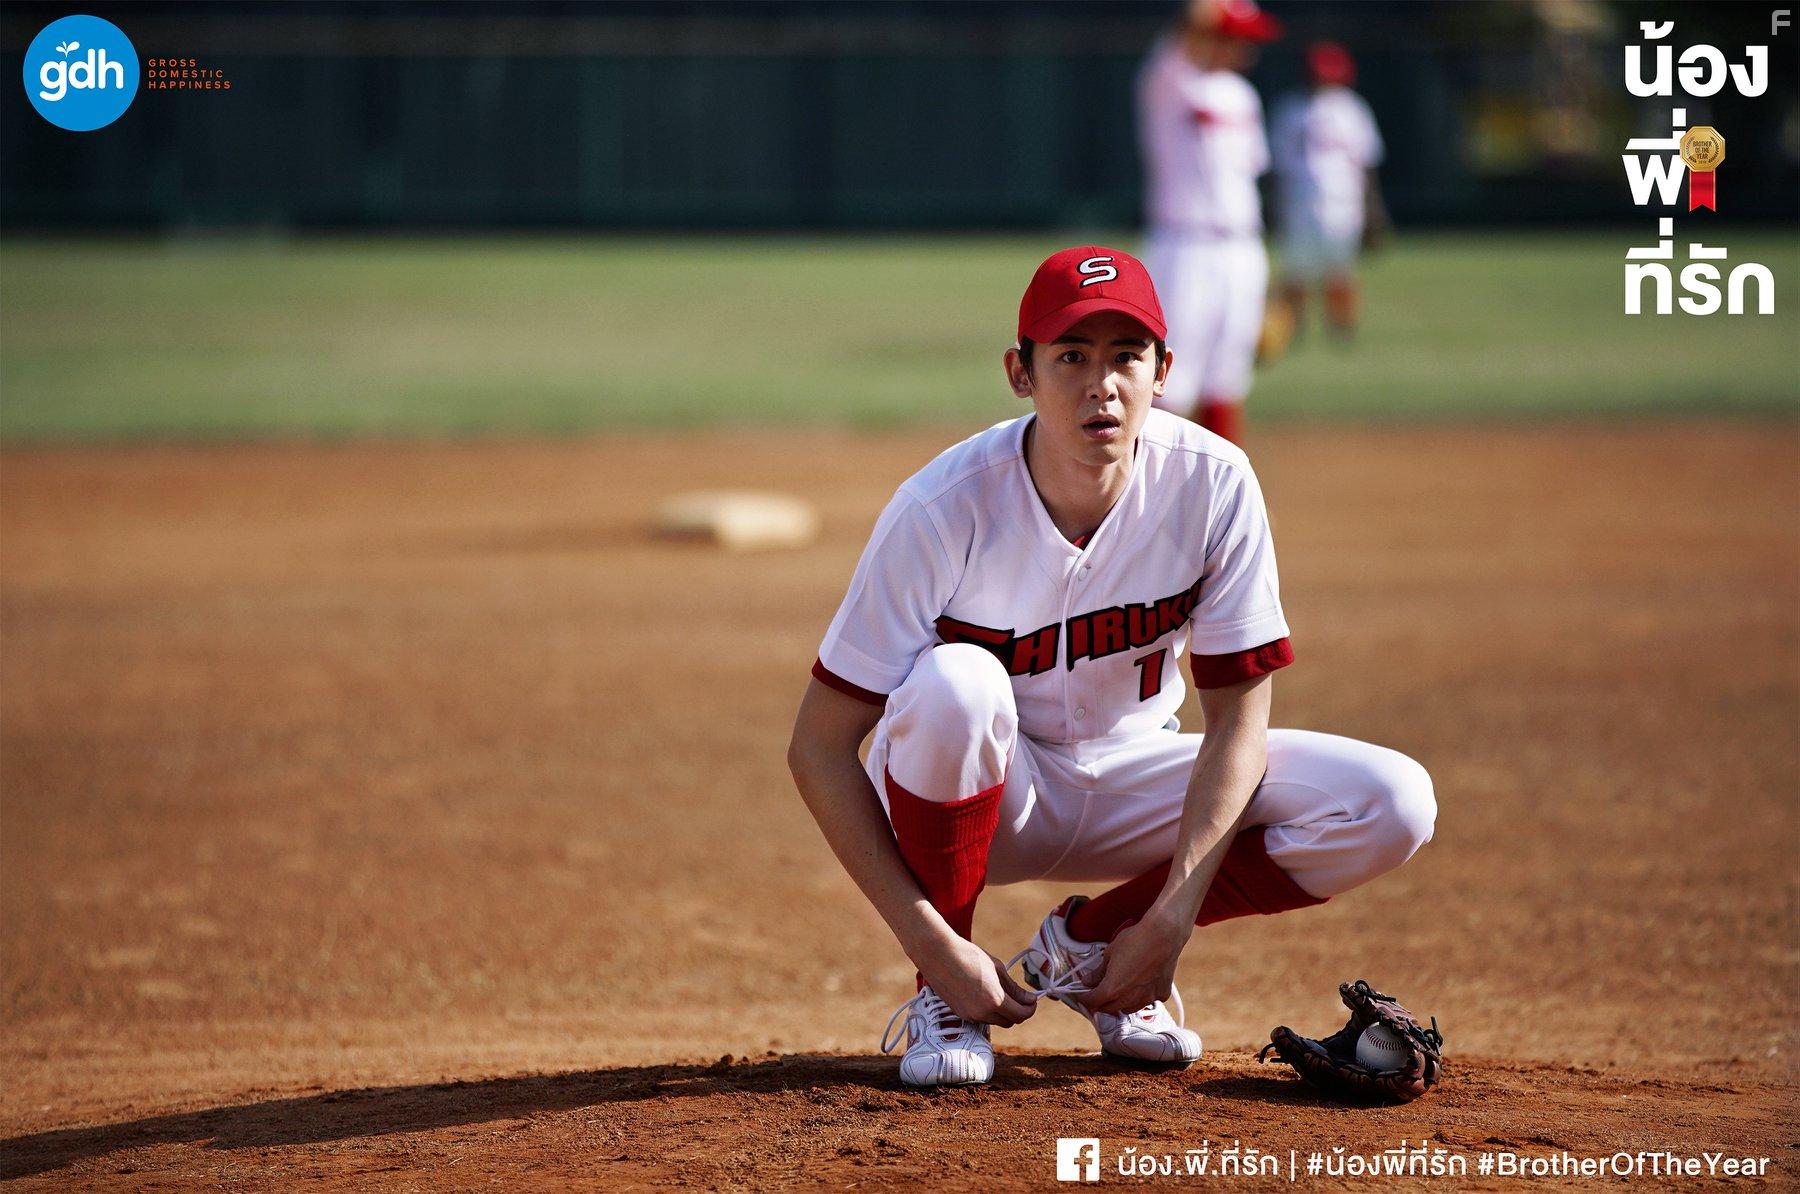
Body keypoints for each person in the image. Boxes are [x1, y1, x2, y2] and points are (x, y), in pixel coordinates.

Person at [786, 246, 1437, 1088]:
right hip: (992, 797)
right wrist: (929, 943)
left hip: (1138, 778)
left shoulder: (1212, 483)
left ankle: (1092, 946)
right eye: (1071, 357)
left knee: (1392, 802)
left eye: (1126, 356)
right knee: (957, 684)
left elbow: (1239, 723)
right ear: (1020, 373)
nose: (1102, 385)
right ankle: (945, 999)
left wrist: (1166, 920)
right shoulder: (942, 508)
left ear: (1163, 371)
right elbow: (819, 745)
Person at [1136, 0, 1283, 445]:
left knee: (1228, 375)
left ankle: (1219, 482)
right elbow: (1191, 23)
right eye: (1237, 37)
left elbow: (1251, 177)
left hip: (1242, 246)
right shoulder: (1171, 80)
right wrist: (1210, 13)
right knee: (1172, 377)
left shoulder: (1242, 95)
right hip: (1185, 245)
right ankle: (1150, 482)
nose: (1246, 49)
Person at [1269, 41, 1388, 343]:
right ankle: (1292, 329)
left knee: (1340, 270)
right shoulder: (1290, 109)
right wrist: (1273, 206)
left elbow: (1366, 163)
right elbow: (1278, 166)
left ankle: (1341, 329)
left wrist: (1373, 209)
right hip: (1298, 202)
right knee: (1296, 271)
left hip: (1344, 204)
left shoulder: (1352, 109)